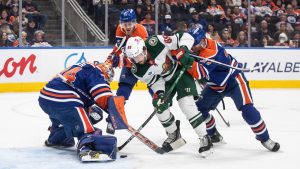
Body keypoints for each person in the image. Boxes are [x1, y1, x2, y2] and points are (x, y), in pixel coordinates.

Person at [186, 27, 280, 152]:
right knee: (198, 110)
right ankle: (214, 134)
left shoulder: (211, 51)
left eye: (201, 40)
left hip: (234, 79)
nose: (200, 44)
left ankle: (265, 139)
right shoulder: (194, 49)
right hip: (216, 85)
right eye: (196, 43)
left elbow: (199, 73)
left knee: (247, 109)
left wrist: (183, 58)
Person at [124, 34, 213, 156]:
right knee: (159, 108)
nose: (137, 60)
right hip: (166, 81)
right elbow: (154, 81)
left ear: (144, 49)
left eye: (138, 55)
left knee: (186, 105)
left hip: (181, 72)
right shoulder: (137, 70)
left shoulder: (155, 42)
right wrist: (160, 94)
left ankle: (205, 138)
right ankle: (174, 134)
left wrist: (184, 48)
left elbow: (185, 37)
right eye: (133, 58)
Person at [38, 61, 127, 161]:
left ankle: (57, 137)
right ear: (106, 74)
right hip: (63, 98)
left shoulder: (84, 67)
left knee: (95, 114)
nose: (106, 82)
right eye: (107, 80)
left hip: (45, 98)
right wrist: (114, 112)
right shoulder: (97, 72)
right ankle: (86, 148)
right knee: (86, 127)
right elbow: (103, 95)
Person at [106, 8, 148, 134]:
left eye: (129, 23)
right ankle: (111, 121)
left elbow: (147, 51)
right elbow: (119, 46)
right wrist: (111, 58)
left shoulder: (141, 30)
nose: (127, 26)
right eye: (124, 24)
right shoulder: (120, 29)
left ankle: (169, 128)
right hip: (129, 65)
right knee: (121, 93)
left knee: (157, 94)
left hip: (144, 64)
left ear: (134, 22)